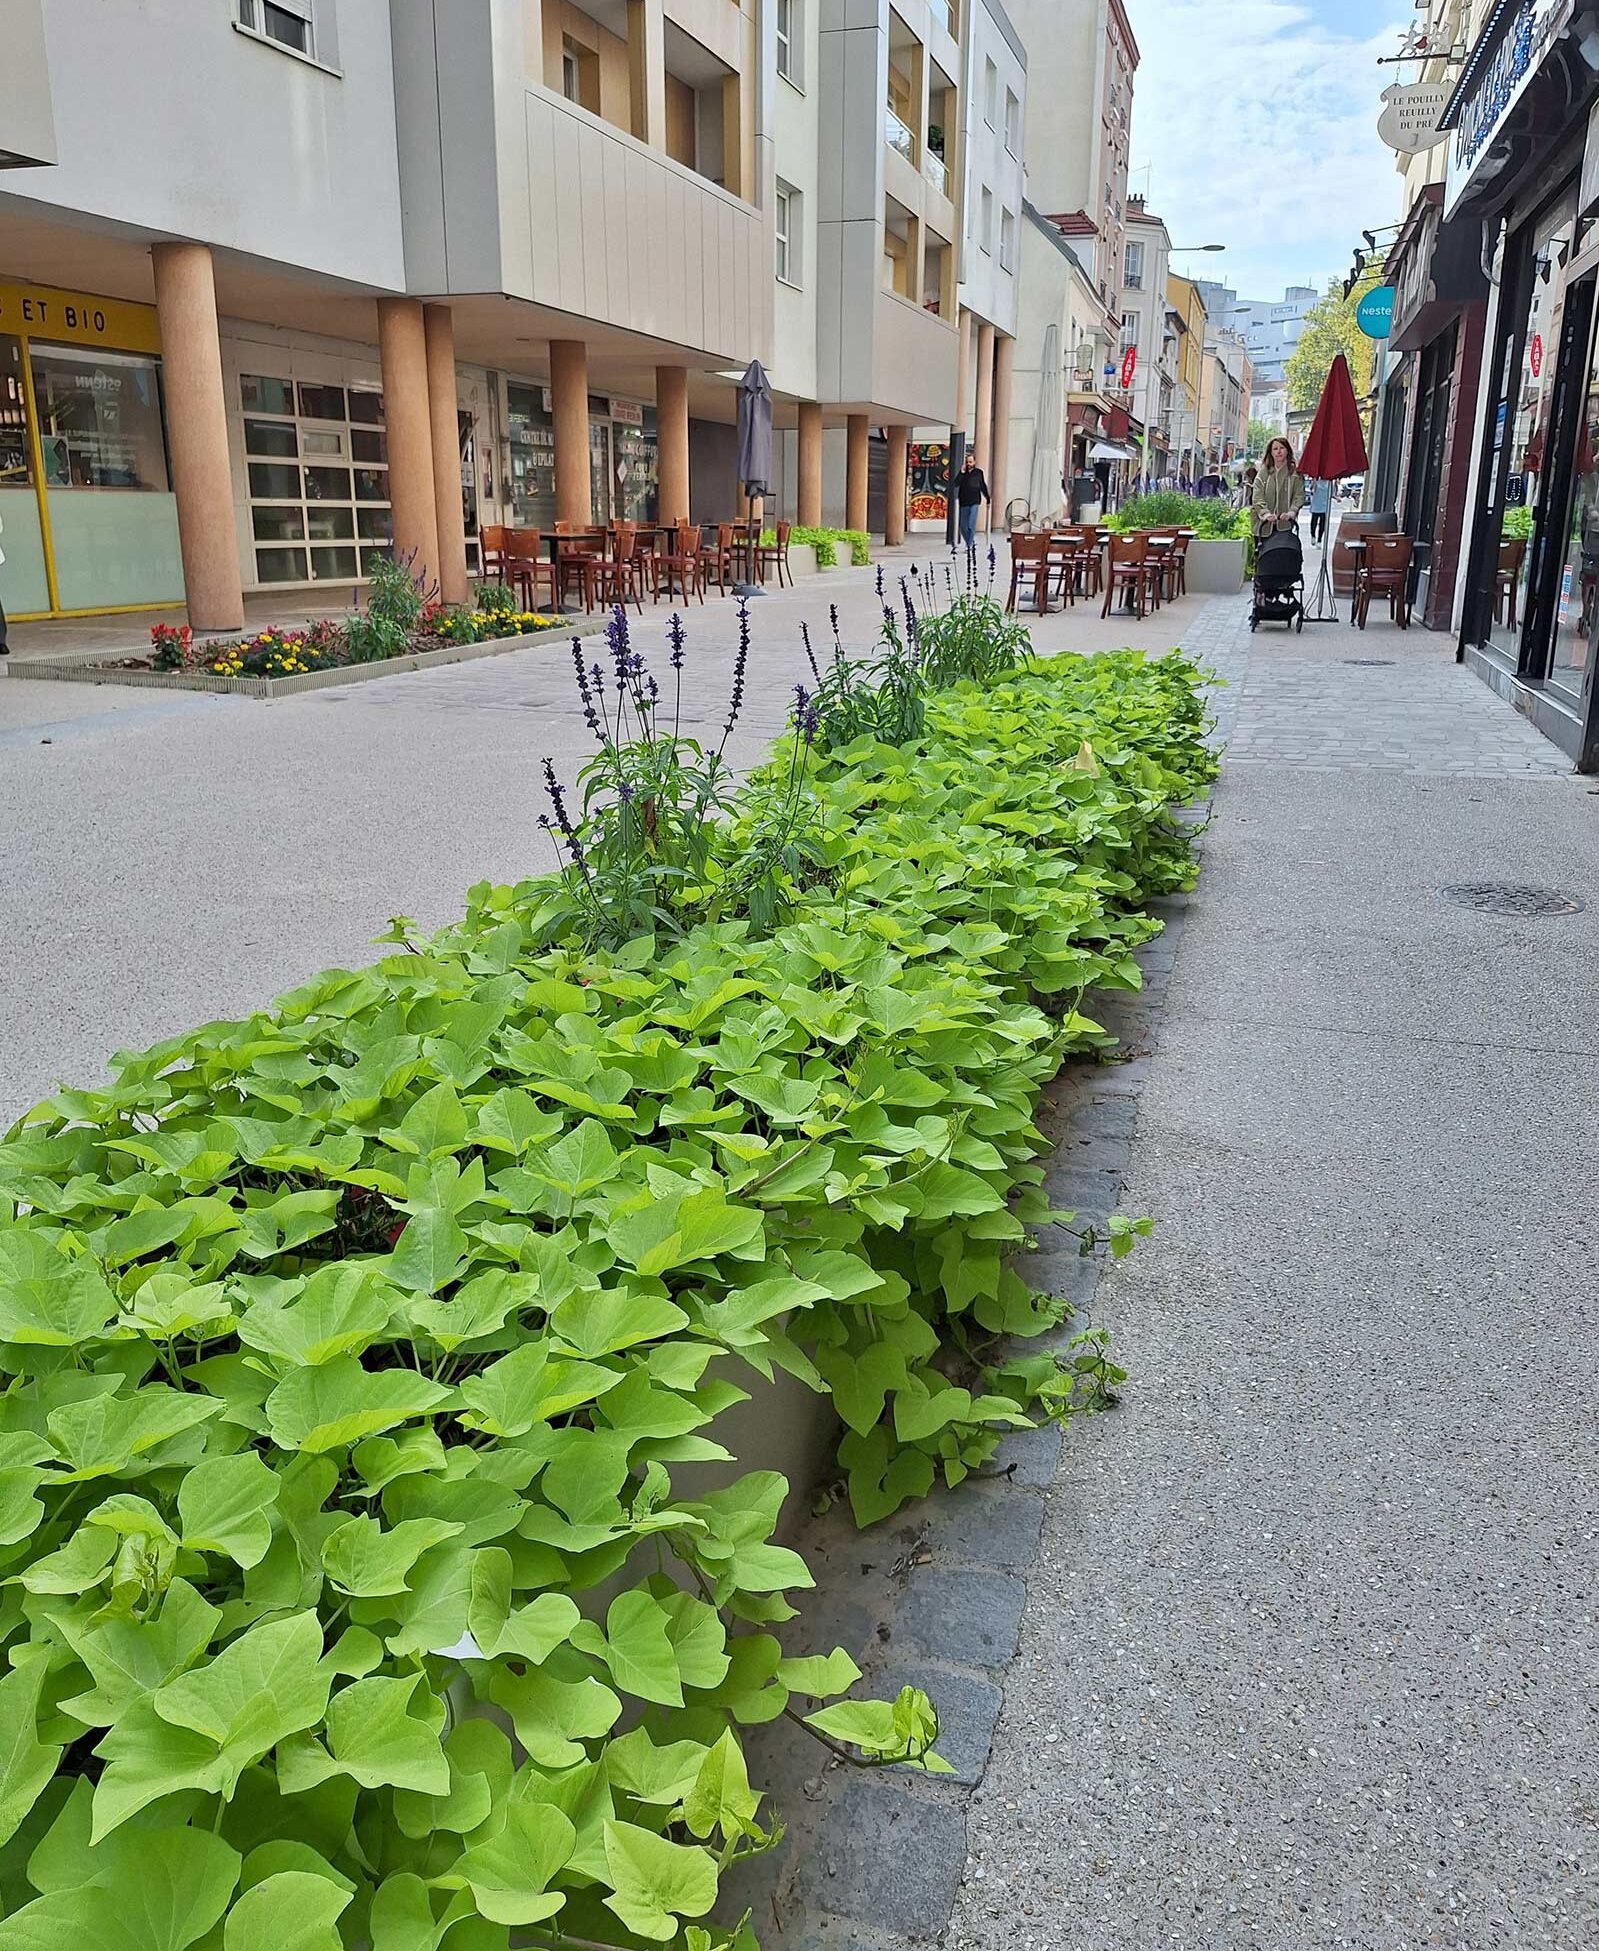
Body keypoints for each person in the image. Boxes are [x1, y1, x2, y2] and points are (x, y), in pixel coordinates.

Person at [1251, 438, 1303, 539]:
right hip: (1263, 526)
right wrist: (1265, 514)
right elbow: (1257, 496)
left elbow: (1299, 495)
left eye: (1282, 448)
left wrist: (1291, 512)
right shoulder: (1264, 472)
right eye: (1275, 449)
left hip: (1285, 526)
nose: (1278, 451)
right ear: (1270, 452)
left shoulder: (1294, 473)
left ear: (1287, 450)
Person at [954, 452, 990, 551]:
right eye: (967, 462)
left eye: (970, 462)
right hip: (964, 501)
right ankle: (969, 541)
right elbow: (956, 483)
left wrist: (987, 497)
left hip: (974, 501)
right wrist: (961, 472)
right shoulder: (963, 473)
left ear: (974, 462)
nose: (969, 464)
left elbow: (982, 485)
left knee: (971, 524)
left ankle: (969, 545)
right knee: (963, 526)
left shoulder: (979, 472)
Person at [1308, 476, 1333, 546]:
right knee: (1314, 523)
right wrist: (1314, 482)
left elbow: (1331, 494)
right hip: (1316, 505)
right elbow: (1312, 490)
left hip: (1324, 506)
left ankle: (1319, 540)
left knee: (1322, 524)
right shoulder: (1316, 481)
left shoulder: (1329, 483)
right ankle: (1313, 536)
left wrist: (1336, 498)